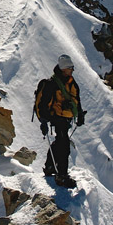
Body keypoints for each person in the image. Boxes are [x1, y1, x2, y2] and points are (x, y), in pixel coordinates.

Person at [39, 54, 84, 188]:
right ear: (64, 68)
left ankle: (50, 166)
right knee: (64, 145)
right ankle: (62, 175)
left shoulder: (70, 81)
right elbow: (44, 103)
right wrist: (44, 120)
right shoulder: (53, 83)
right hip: (57, 118)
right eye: (70, 68)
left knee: (60, 142)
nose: (72, 70)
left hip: (66, 118)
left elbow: (77, 99)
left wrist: (79, 114)